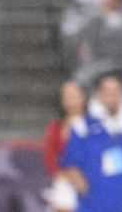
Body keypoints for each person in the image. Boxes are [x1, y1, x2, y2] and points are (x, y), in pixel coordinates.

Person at [60, 73, 122, 212]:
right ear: (97, 94)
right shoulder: (82, 128)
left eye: (116, 91)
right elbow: (71, 166)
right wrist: (89, 193)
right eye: (108, 92)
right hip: (92, 206)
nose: (113, 97)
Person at [41, 81, 86, 212]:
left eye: (75, 94)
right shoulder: (54, 128)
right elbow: (50, 161)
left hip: (91, 181)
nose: (72, 99)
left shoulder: (96, 125)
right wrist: (69, 176)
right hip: (65, 182)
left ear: (83, 97)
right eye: (68, 96)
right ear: (62, 101)